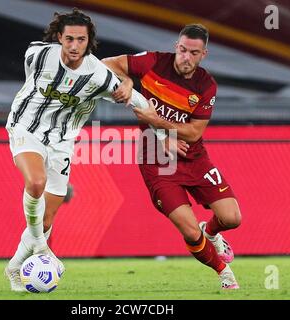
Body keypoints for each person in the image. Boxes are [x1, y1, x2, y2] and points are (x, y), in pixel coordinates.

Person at [4, 8, 165, 292]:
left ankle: (15, 267)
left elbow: (137, 100)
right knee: (36, 182)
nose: (74, 45)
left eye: (81, 40)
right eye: (69, 39)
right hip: (25, 128)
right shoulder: (38, 55)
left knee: (46, 218)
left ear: (88, 41)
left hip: (63, 141)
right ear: (59, 38)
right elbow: (29, 81)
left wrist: (165, 132)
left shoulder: (99, 77)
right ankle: (42, 250)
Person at [102, 24, 242, 289]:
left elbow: (192, 133)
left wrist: (158, 122)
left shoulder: (206, 85)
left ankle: (211, 232)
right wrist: (129, 80)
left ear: (204, 55)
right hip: (156, 161)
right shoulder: (153, 62)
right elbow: (105, 64)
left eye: (193, 53)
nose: (185, 57)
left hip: (193, 157)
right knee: (189, 231)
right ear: (176, 46)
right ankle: (223, 272)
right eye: (182, 50)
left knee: (232, 218)